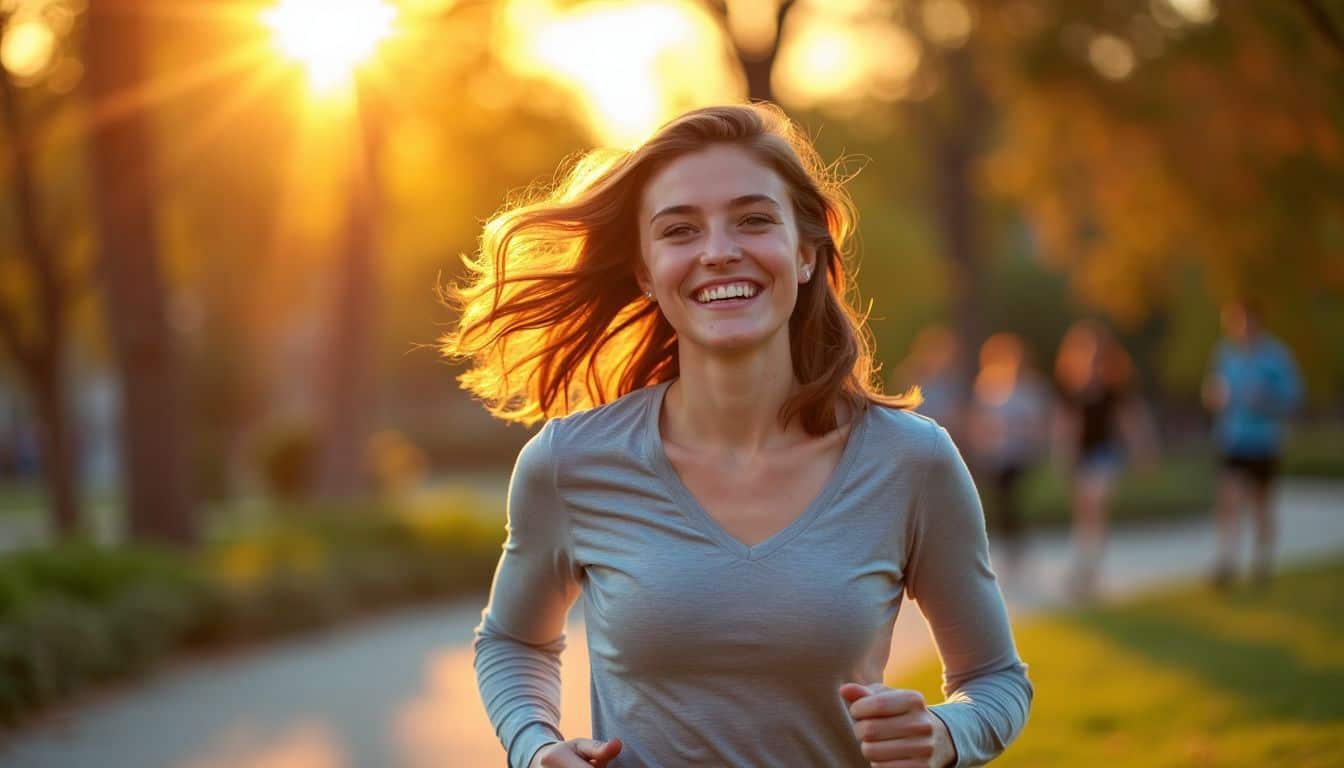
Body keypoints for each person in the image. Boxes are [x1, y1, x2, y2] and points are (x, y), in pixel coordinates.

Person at [445, 104, 1031, 768]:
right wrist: (535, 748)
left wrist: (948, 735)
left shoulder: (911, 460)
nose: (719, 251)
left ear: (806, 253)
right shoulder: (570, 462)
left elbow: (996, 680)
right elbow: (512, 643)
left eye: (754, 220)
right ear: (645, 272)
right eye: (679, 230)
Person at [1051, 320, 1156, 602]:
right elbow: (1066, 428)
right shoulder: (1073, 391)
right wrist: (1062, 457)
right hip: (1082, 458)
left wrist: (1142, 451)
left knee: (1095, 505)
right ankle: (1085, 568)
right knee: (1084, 514)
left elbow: (1131, 421)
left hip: (1105, 455)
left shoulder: (1114, 389)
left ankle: (1088, 568)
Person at [1202, 300, 1302, 588]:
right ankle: (1227, 561)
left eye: (1245, 322)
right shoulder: (1226, 354)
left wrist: (1267, 399)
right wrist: (1215, 397)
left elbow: (1294, 396)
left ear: (1257, 322)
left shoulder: (1275, 356)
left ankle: (1262, 563)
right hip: (1232, 439)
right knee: (1228, 501)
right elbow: (1212, 391)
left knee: (1261, 506)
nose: (1241, 328)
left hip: (1264, 441)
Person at [967, 333, 1049, 580]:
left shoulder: (1030, 388)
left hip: (1019, 454)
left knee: (1010, 499)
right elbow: (979, 419)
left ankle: (1017, 547)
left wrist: (1020, 432)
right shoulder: (988, 386)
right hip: (995, 455)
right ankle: (1013, 544)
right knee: (1001, 502)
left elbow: (1038, 422)